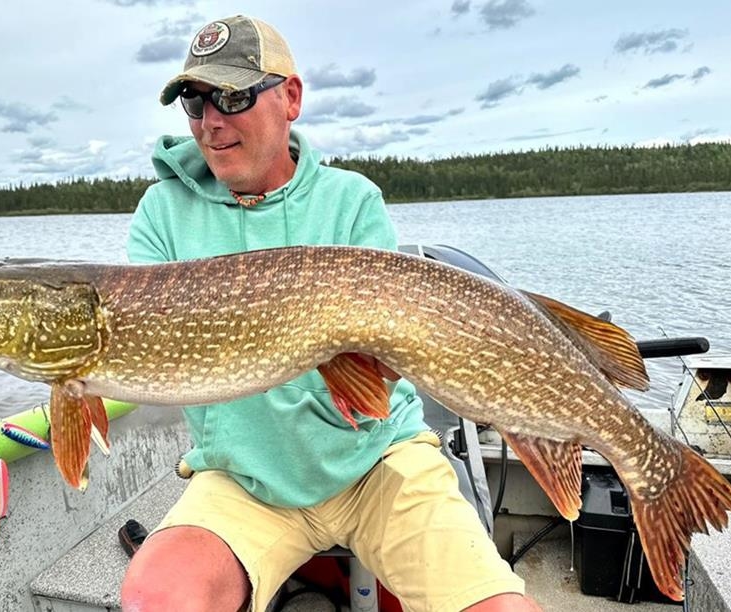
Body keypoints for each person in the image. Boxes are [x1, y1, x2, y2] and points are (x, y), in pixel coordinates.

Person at [121, 14, 538, 612]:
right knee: (156, 597)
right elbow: (150, 344)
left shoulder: (352, 200)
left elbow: (370, 370)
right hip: (245, 479)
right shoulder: (162, 213)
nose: (211, 122)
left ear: (289, 97)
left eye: (234, 96)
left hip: (377, 462)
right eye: (195, 102)